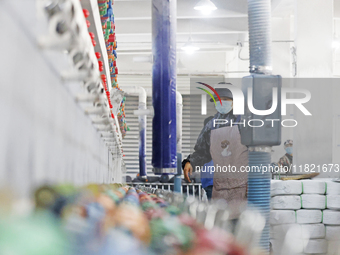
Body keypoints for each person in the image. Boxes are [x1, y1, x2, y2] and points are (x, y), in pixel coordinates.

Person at [182, 83, 248, 203]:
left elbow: (254, 152)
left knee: (241, 219)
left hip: (242, 184)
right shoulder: (210, 125)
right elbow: (202, 152)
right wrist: (190, 162)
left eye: (225, 99)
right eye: (217, 100)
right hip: (218, 185)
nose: (221, 102)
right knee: (220, 218)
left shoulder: (245, 121)